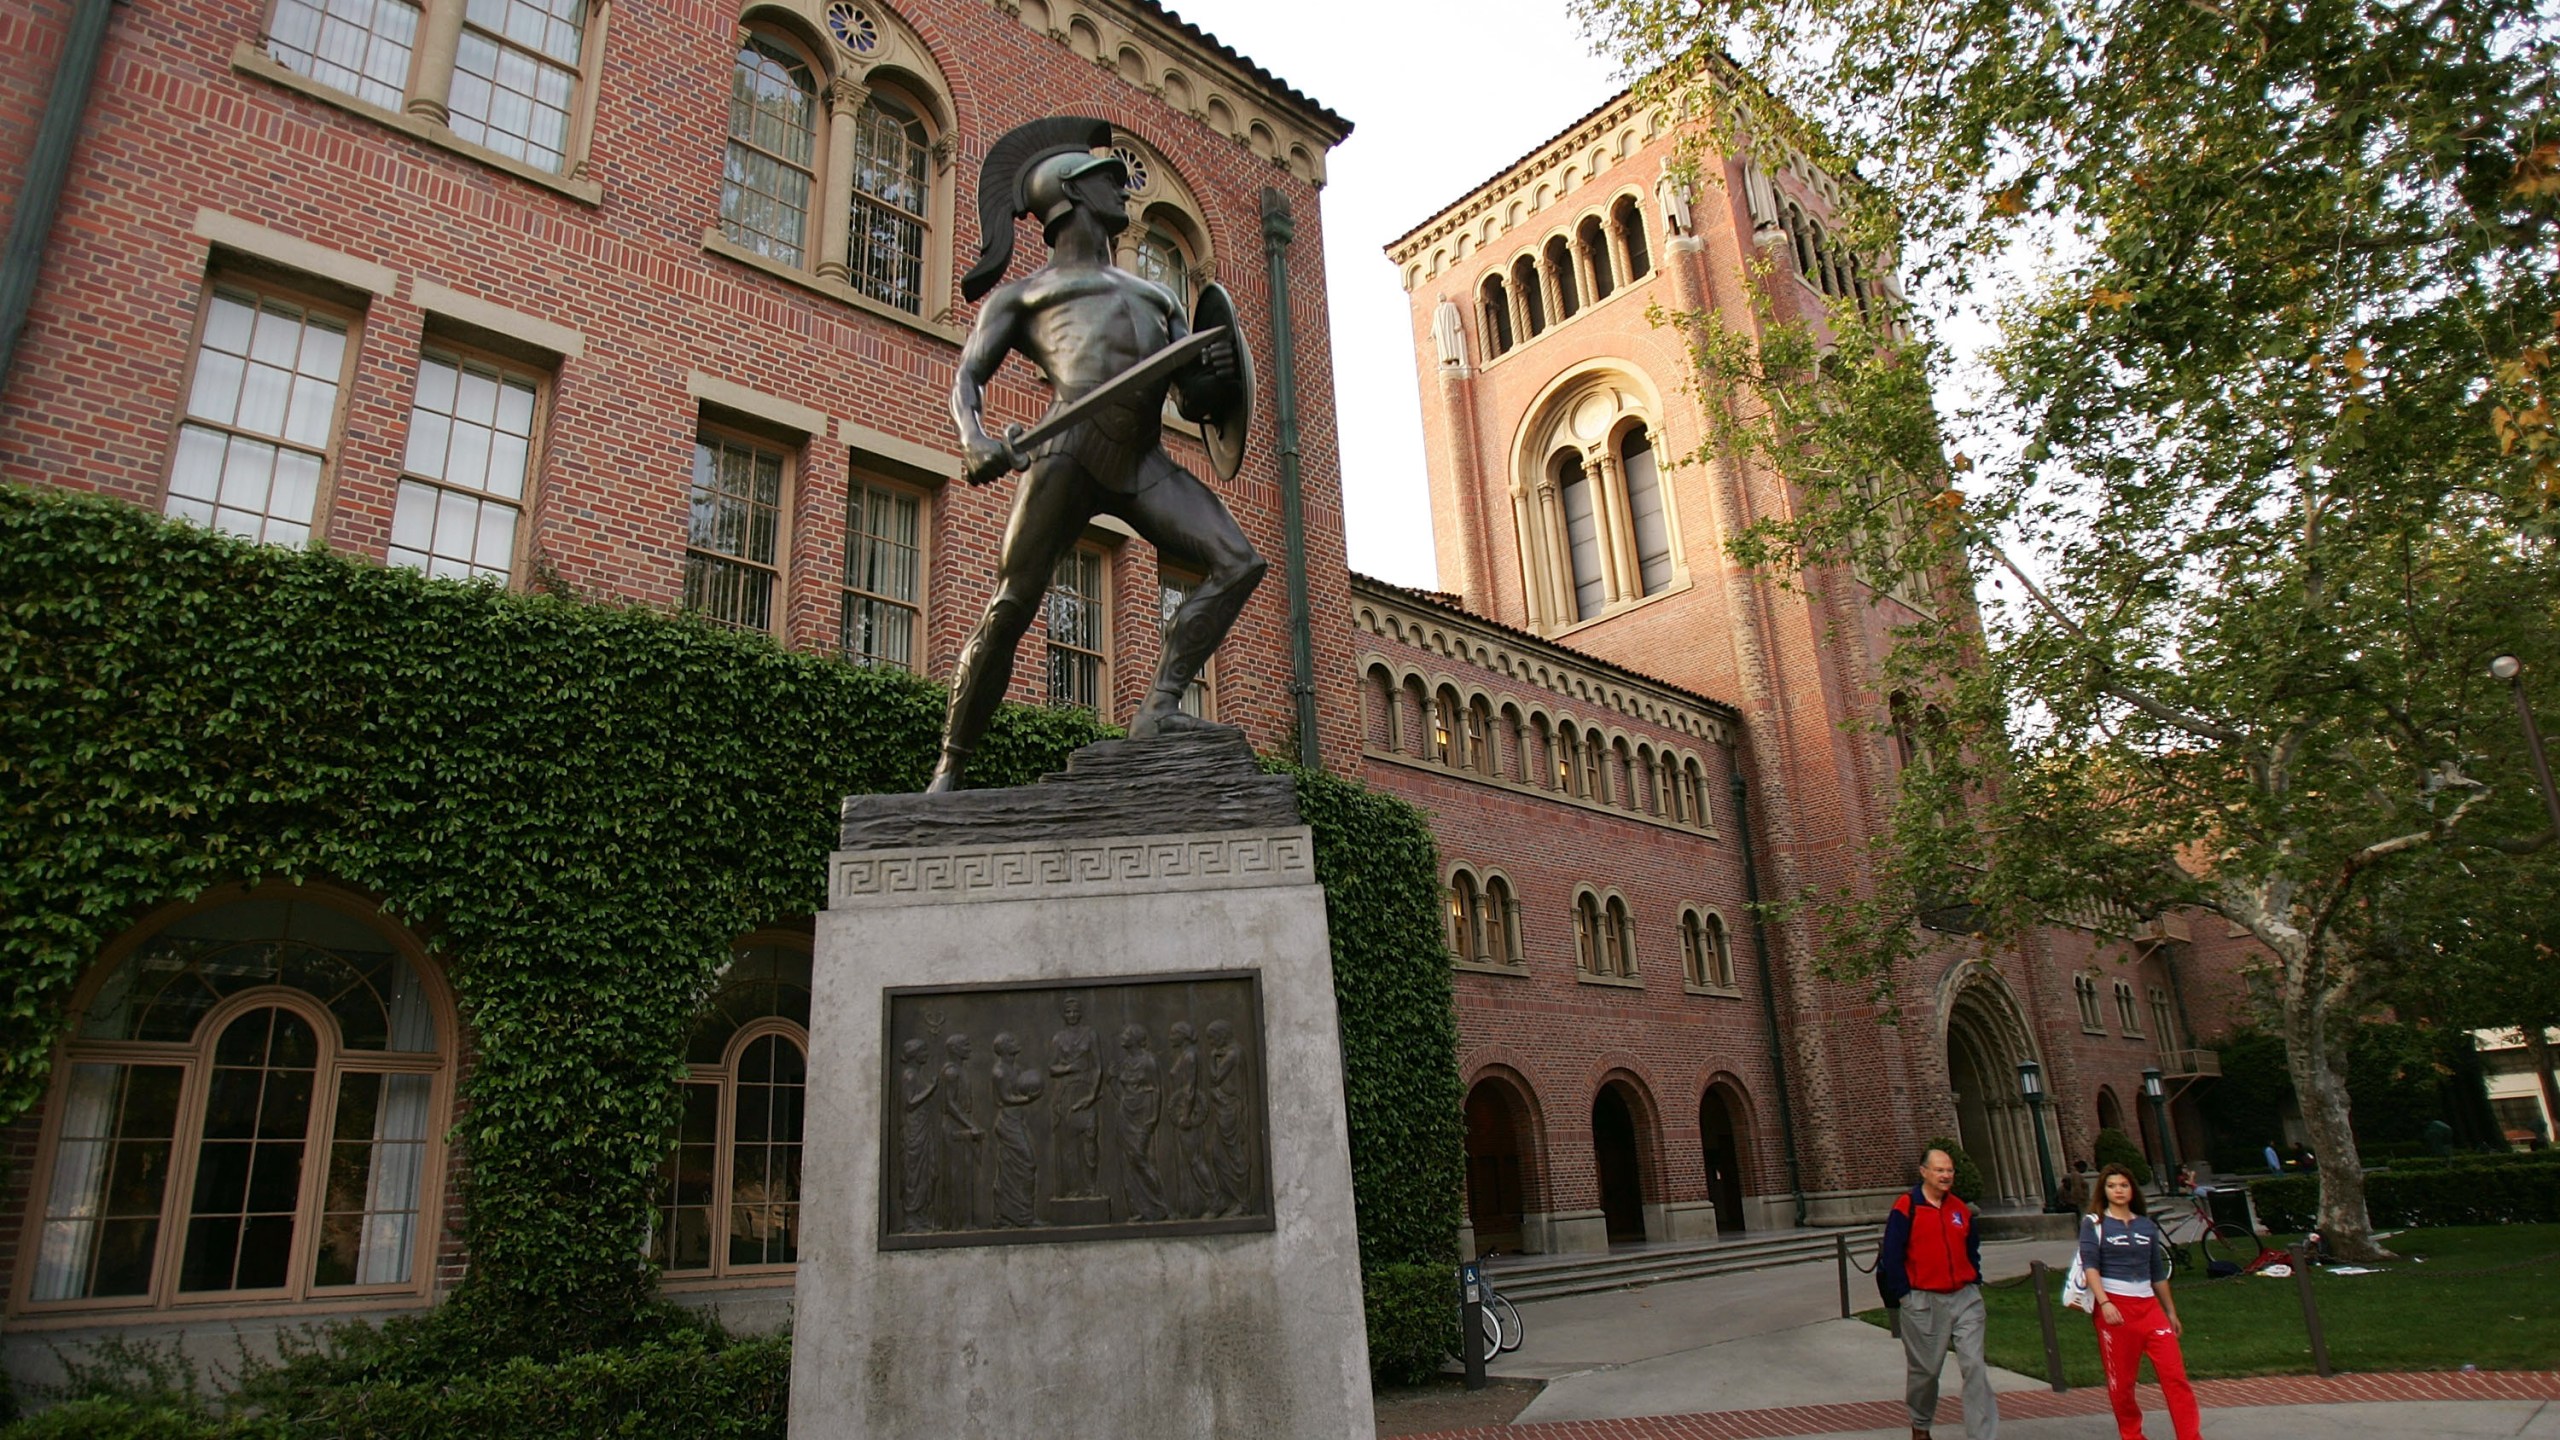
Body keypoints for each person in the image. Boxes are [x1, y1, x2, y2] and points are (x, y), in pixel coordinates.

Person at [1878, 1148, 1997, 1440]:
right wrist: (1905, 1295)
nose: (1946, 1176)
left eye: (1950, 1170)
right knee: (1926, 1373)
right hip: (1923, 1300)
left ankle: (1982, 1436)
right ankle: (1920, 1424)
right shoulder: (1907, 1207)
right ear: (1924, 1172)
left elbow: (1972, 1249)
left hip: (1965, 1297)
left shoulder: (1960, 1209)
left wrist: (1974, 1280)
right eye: (1940, 1170)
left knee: (1975, 1367)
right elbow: (1892, 1255)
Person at [2081, 1163, 2202, 1440]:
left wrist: (2170, 1311)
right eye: (2112, 1186)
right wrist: (2105, 1302)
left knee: (2175, 1376)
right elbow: (2091, 1266)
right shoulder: (2094, 1224)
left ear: (2132, 1189)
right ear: (2104, 1191)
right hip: (2115, 1307)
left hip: (2149, 1307)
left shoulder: (2146, 1225)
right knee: (2122, 1383)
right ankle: (2132, 1434)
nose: (2118, 1191)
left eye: (2123, 1185)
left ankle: (2190, 1435)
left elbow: (2157, 1271)